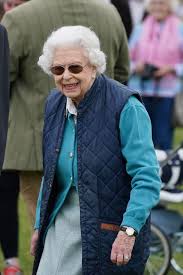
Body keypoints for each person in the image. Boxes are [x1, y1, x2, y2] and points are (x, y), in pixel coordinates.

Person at [30, 25, 161, 275]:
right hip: (60, 223)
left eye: (75, 67)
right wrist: (39, 226)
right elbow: (50, 175)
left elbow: (147, 178)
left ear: (94, 65)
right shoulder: (54, 104)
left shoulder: (126, 106)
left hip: (109, 228)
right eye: (58, 69)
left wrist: (129, 231)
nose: (66, 76)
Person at [1, 0, 130, 231]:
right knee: (95, 229)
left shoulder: (17, 18)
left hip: (35, 144)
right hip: (103, 142)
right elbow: (121, 73)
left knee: (44, 233)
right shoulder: (110, 12)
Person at [128, 0, 183, 150]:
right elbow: (127, 60)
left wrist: (171, 68)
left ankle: (165, 172)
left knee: (163, 139)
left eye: (162, 3)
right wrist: (137, 66)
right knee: (140, 138)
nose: (158, 7)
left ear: (170, 6)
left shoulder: (179, 28)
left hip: (167, 94)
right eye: (154, 3)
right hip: (140, 92)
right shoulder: (140, 28)